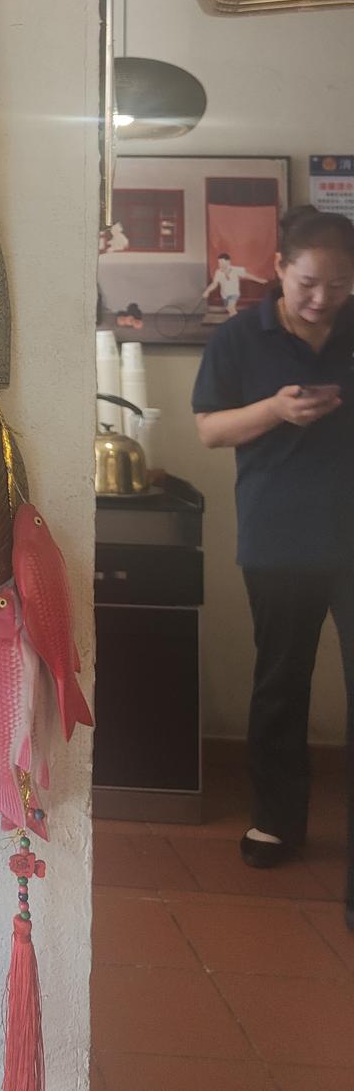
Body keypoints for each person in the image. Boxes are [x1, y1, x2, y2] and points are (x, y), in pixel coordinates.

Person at [192, 206, 354, 930]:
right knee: (282, 683)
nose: (323, 299)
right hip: (280, 539)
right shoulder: (240, 337)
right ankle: (277, 819)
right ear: (281, 269)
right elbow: (209, 428)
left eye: (339, 285)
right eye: (310, 283)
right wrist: (276, 410)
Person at [201, 251, 268, 317]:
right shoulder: (218, 272)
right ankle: (235, 320)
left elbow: (247, 275)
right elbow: (214, 284)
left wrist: (259, 280)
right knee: (230, 310)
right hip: (224, 295)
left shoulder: (236, 270)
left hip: (234, 294)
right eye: (219, 263)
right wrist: (207, 291)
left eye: (222, 262)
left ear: (228, 262)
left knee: (231, 308)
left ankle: (237, 322)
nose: (220, 265)